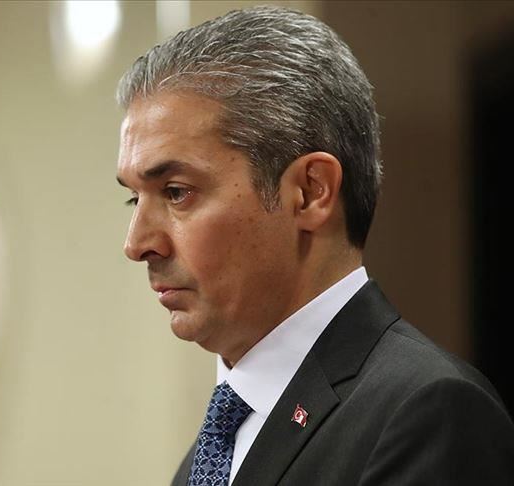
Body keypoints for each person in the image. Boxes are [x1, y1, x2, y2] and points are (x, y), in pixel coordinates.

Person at [114, 6, 514, 486]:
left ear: (310, 192)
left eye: (177, 192)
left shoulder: (429, 412)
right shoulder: (212, 449)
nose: (137, 243)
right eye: (134, 198)